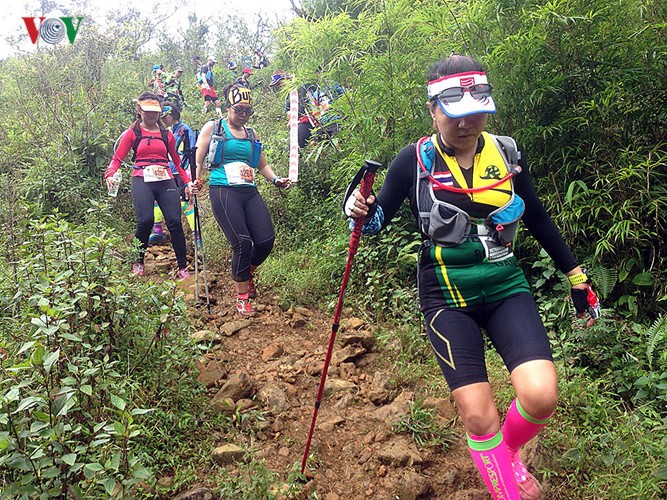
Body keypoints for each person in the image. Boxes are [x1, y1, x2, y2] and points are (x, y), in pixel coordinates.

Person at [345, 54, 601, 500]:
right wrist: (358, 207)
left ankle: (510, 451)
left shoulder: (506, 153)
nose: (466, 124)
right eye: (454, 113)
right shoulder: (413, 160)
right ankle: (507, 487)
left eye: (476, 112)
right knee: (479, 416)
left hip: (505, 287)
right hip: (445, 296)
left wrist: (577, 276)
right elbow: (375, 219)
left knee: (541, 396)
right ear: (433, 109)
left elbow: (537, 218)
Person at [194, 84, 291, 317]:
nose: (243, 115)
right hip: (223, 190)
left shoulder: (251, 134)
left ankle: (246, 273)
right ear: (228, 107)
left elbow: (262, 164)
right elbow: (197, 159)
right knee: (242, 242)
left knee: (266, 240)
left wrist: (275, 179)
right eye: (239, 110)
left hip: (249, 190)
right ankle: (242, 297)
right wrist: (194, 181)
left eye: (248, 111)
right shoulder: (214, 127)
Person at [105, 92, 193, 280]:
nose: (152, 115)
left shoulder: (166, 135)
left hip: (165, 178)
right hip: (141, 178)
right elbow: (117, 158)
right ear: (139, 110)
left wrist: (186, 182)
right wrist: (110, 174)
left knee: (175, 222)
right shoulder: (132, 133)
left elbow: (177, 162)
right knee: (145, 220)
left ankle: (182, 267)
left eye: (155, 112)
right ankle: (138, 262)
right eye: (148, 112)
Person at [148, 101, 197, 246]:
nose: (162, 120)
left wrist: (188, 173)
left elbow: (190, 152)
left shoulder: (184, 130)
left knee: (185, 202)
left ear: (171, 114)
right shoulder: (167, 131)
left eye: (165, 117)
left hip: (180, 171)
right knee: (157, 199)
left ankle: (196, 236)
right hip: (165, 171)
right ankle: (158, 231)